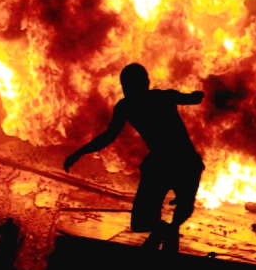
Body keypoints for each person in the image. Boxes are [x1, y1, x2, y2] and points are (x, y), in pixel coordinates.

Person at [64, 64, 206, 252]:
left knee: (179, 216)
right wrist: (79, 152)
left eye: (129, 85)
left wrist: (199, 95)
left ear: (142, 84)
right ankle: (163, 232)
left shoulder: (151, 99)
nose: (127, 90)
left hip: (184, 163)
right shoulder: (132, 105)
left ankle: (166, 240)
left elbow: (193, 99)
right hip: (165, 164)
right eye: (125, 86)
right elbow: (108, 136)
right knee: (143, 222)